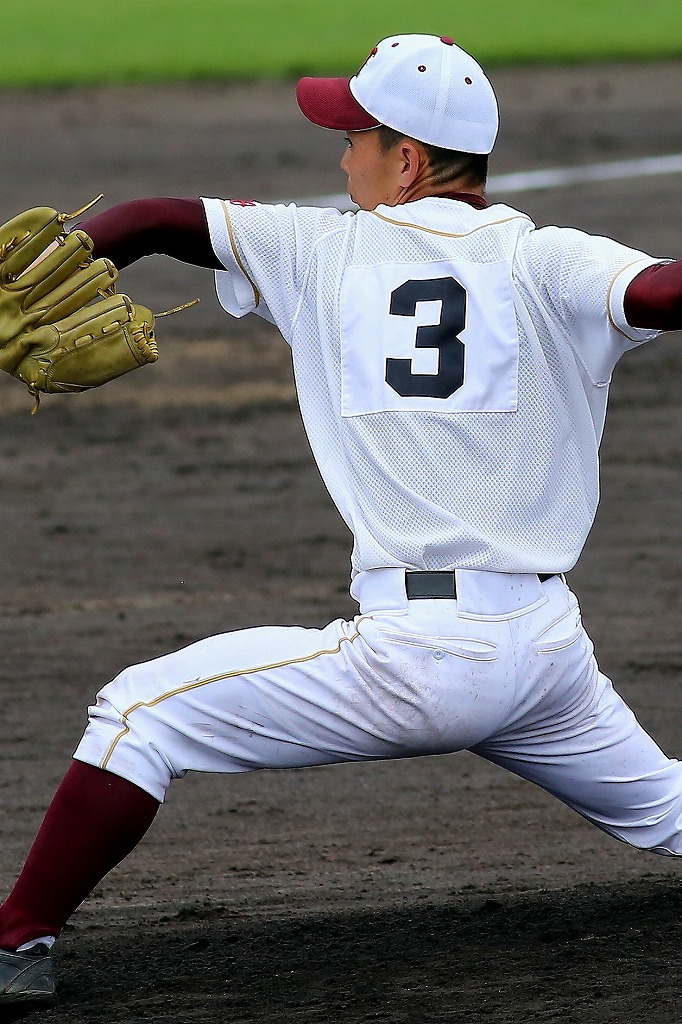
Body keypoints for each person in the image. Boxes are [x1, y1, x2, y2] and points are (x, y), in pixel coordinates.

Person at [2, 32, 682, 1013]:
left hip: (419, 662)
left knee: (138, 714)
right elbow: (660, 289)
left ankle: (14, 935)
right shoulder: (547, 260)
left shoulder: (321, 249)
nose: (339, 154)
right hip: (545, 658)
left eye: (353, 135)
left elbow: (155, 217)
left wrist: (82, 249)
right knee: (665, 809)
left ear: (405, 160)